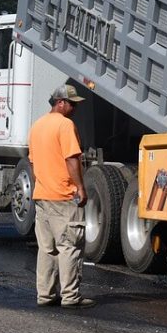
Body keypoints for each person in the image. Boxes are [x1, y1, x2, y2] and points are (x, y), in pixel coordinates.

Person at [29, 84, 95, 309]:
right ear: (60, 102)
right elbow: (71, 159)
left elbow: (32, 162)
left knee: (47, 248)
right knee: (70, 246)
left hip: (43, 195)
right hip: (64, 196)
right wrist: (80, 187)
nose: (74, 108)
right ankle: (70, 296)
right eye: (72, 103)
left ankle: (45, 295)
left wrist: (41, 183)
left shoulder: (37, 126)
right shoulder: (65, 125)